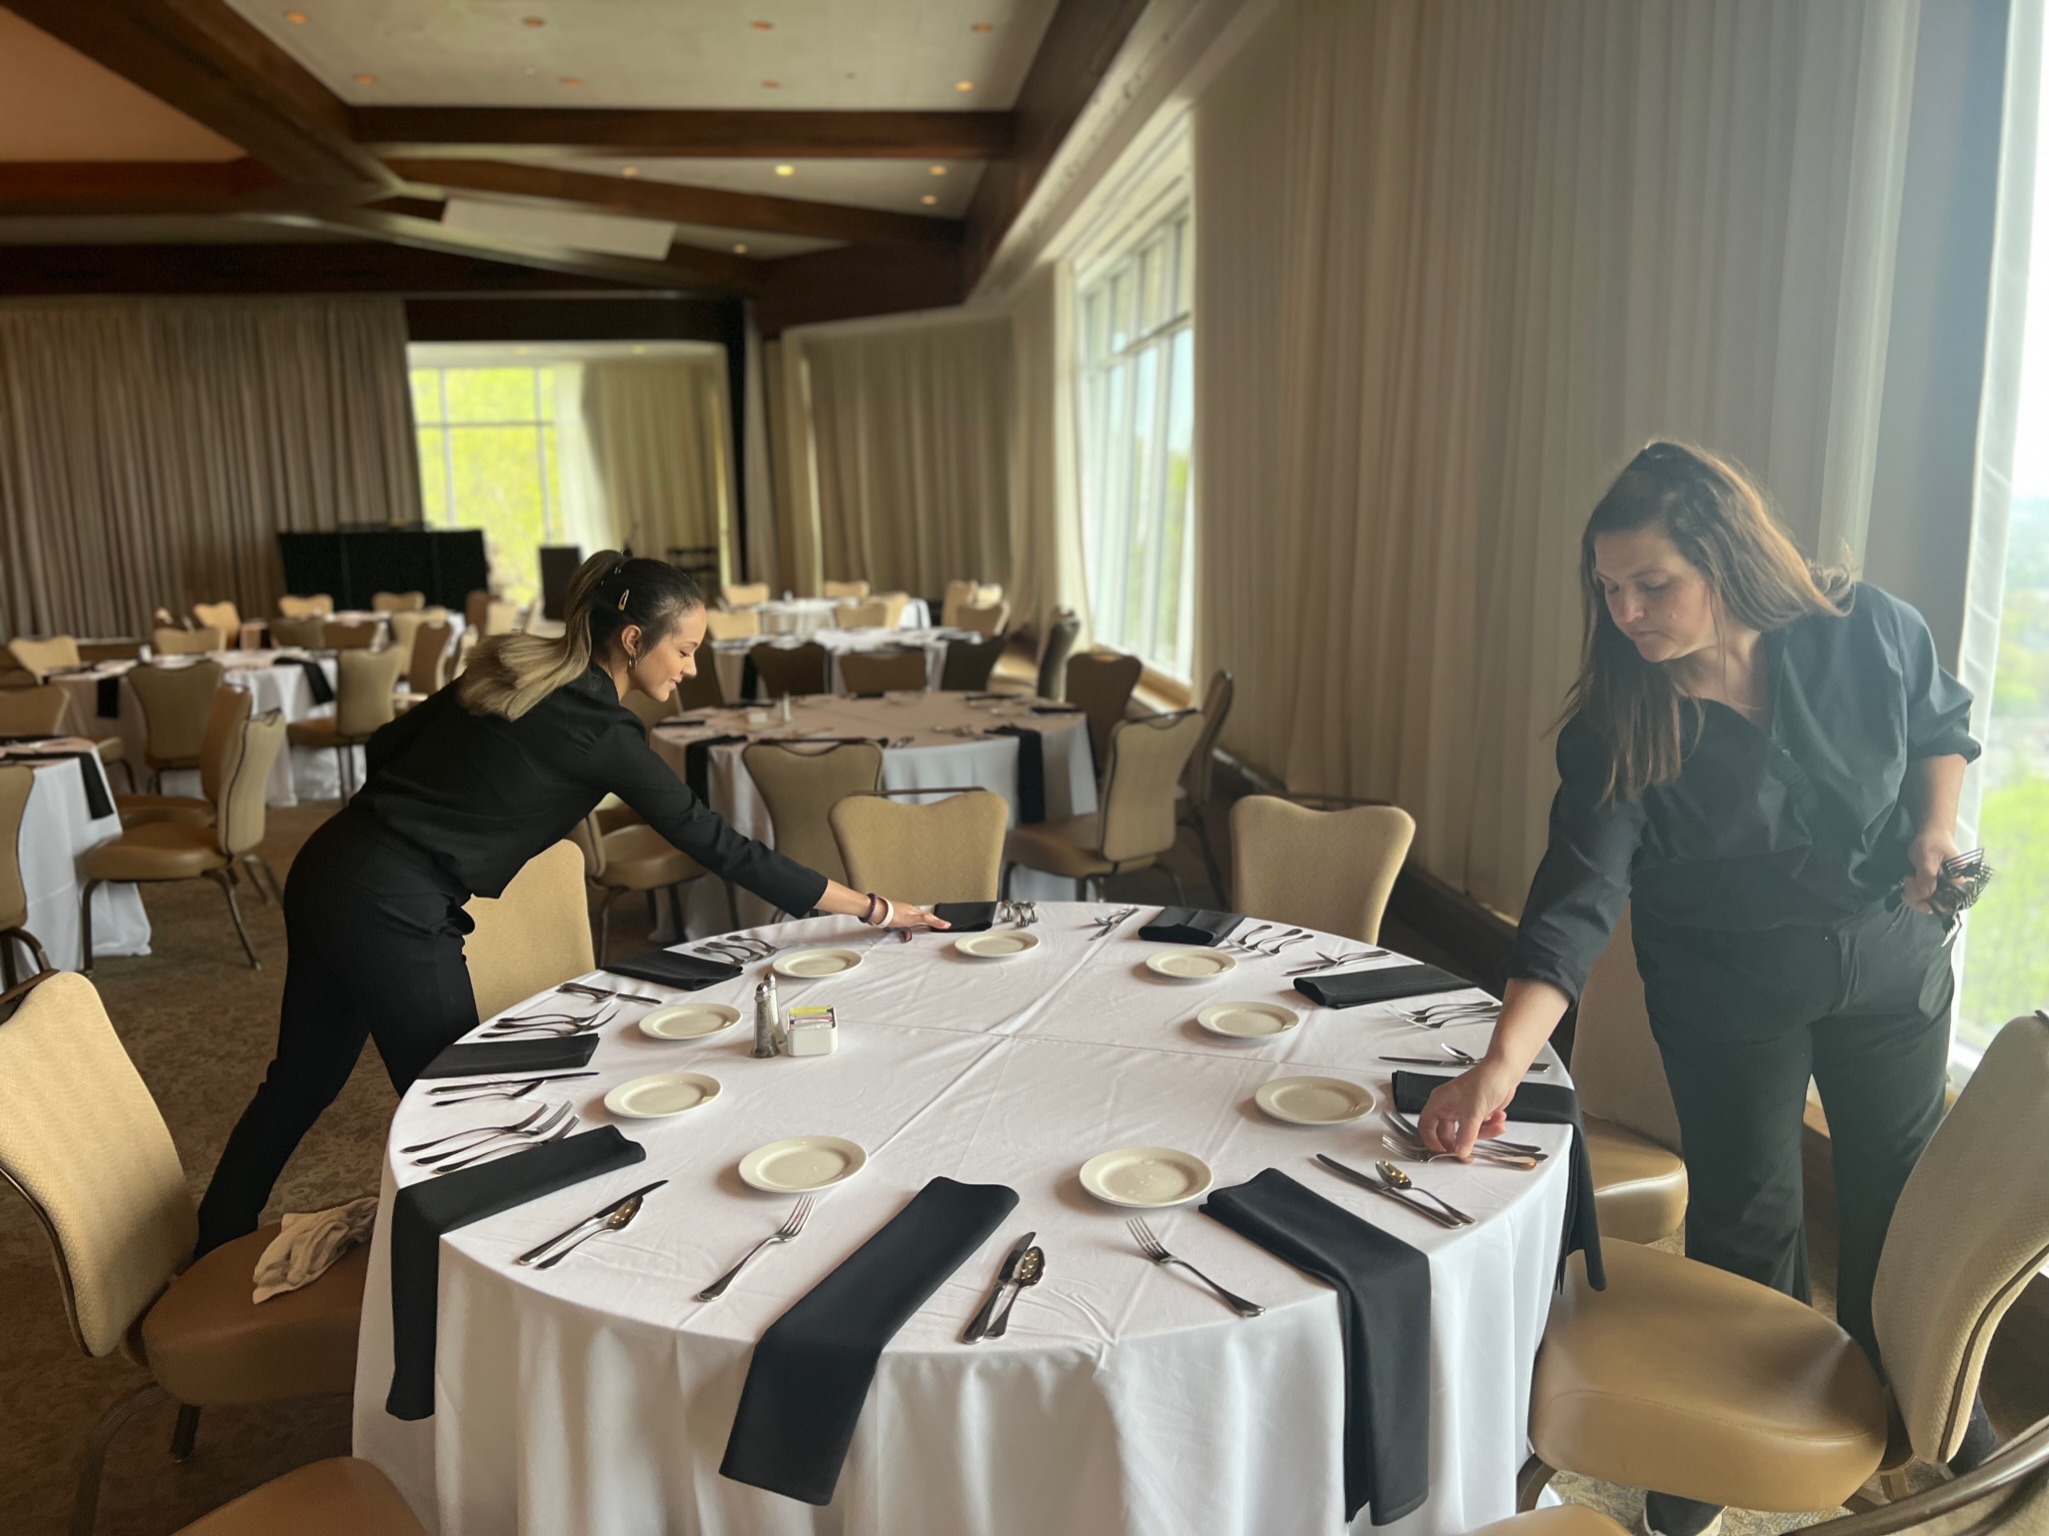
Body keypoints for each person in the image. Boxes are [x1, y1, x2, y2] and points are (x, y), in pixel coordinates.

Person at [1415, 442, 1993, 1536]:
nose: (1626, 612)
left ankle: (1918, 1431)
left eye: (1651, 584)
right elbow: (1574, 903)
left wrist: (1930, 828)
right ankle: (1699, 1483)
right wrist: (1501, 1060)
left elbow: (1938, 729)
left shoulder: (1868, 628)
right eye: (1608, 588)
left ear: (1725, 561)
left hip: (1890, 963)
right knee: (1749, 1223)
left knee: (1897, 1196)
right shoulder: (1620, 724)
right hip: (1729, 993)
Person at [196, 553, 946, 1256]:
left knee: (303, 1079)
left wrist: (444, 806)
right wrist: (872, 908)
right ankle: (479, 1279)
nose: (689, 670)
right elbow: (716, 842)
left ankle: (215, 1240)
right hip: (393, 901)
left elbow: (384, 746)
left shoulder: (511, 670)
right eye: (683, 651)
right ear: (632, 639)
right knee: (463, 1105)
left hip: (332, 864)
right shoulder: (599, 729)